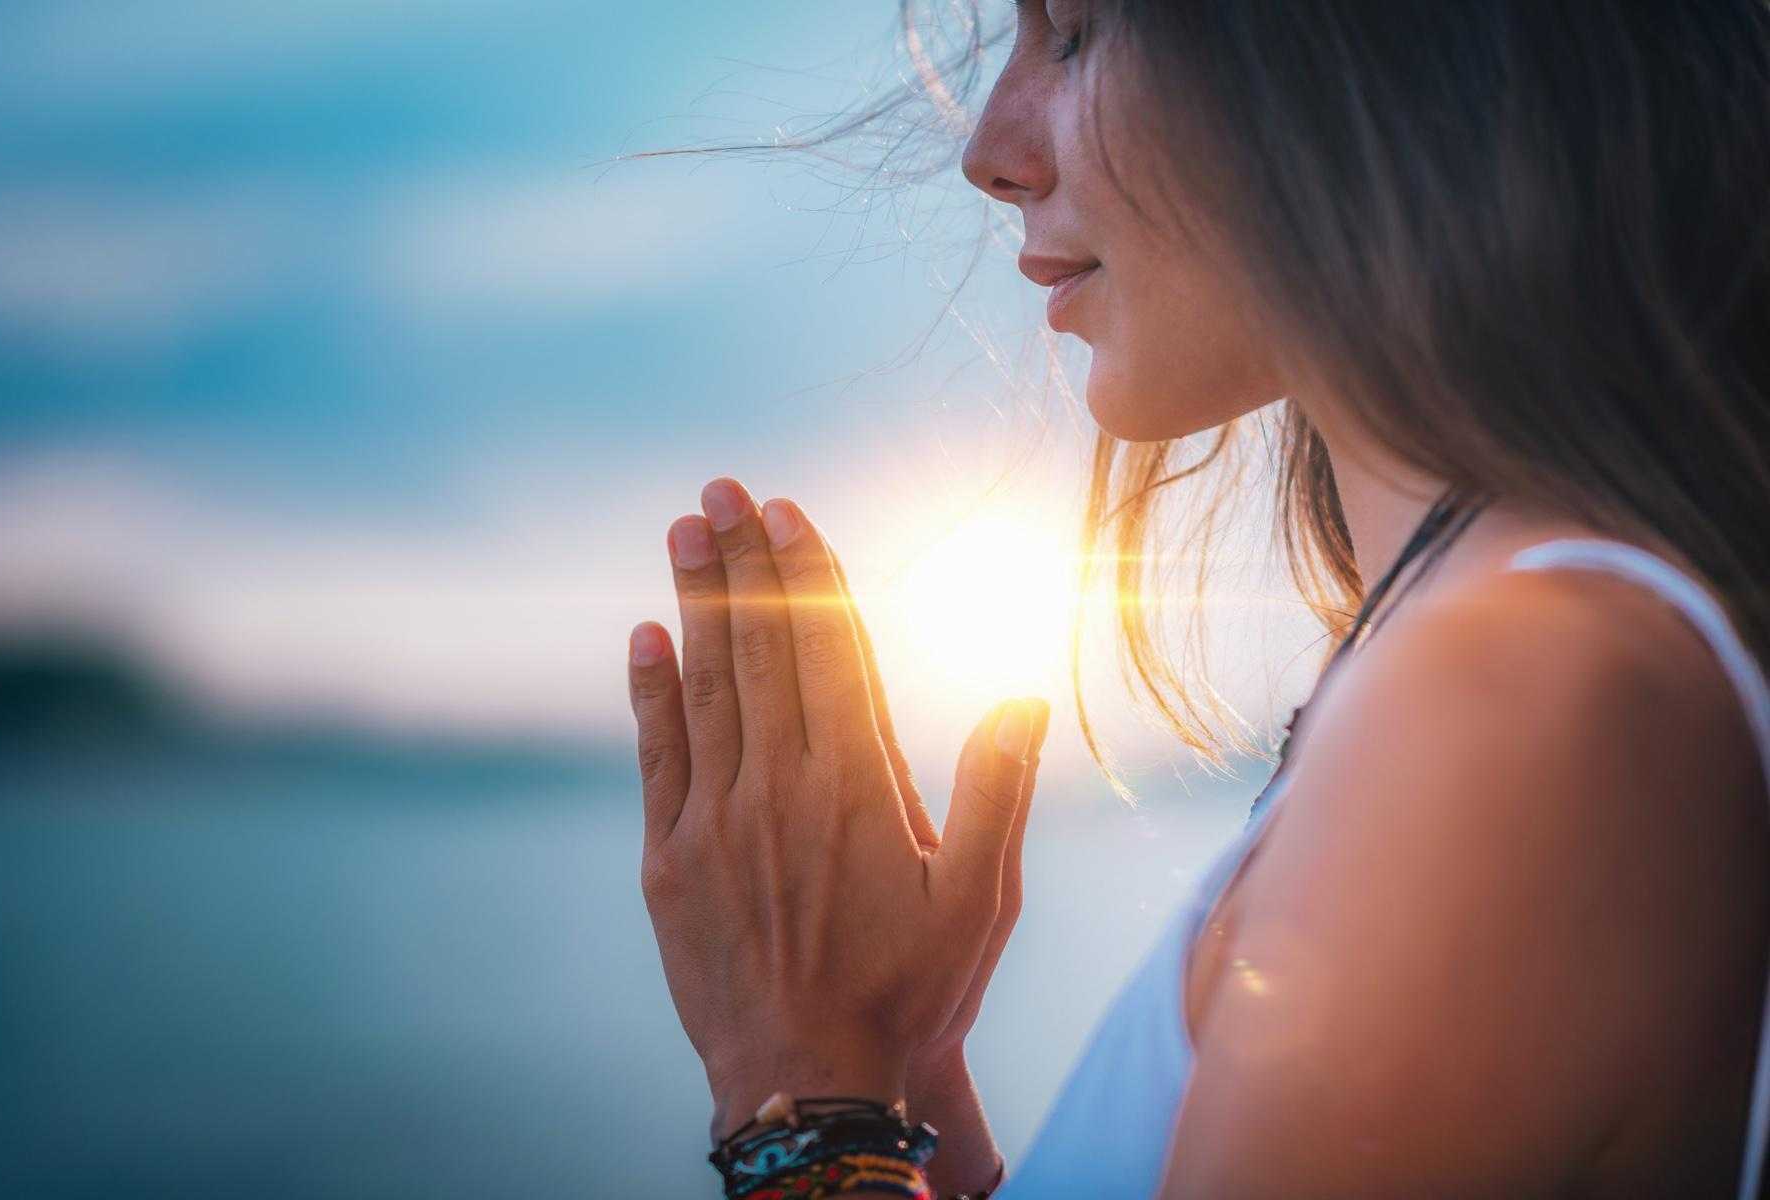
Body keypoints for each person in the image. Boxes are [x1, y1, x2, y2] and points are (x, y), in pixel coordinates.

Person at [625, 2, 1770, 1195]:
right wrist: (903, 1080)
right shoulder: (1480, 665)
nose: (989, 149)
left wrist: (800, 1090)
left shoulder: (1521, 700)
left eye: (1073, 32)